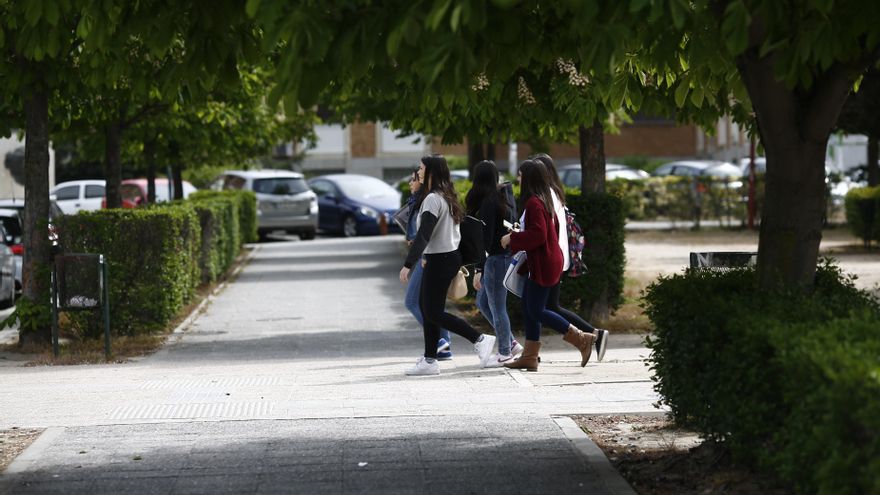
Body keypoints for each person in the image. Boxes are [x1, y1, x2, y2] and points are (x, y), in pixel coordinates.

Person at [399, 155, 496, 376]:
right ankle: (430, 360)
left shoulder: (433, 199)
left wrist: (408, 263)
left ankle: (479, 339)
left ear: (431, 171)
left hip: (440, 259)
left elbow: (424, 234)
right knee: (428, 309)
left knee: (432, 311)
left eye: (422, 168)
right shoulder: (446, 196)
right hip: (444, 257)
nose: (419, 172)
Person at [500, 159, 596, 371]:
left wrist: (512, 240)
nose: (518, 179)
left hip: (544, 262)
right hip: (549, 259)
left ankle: (582, 339)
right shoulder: (544, 199)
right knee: (529, 308)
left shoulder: (534, 203)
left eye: (520, 175)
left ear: (528, 178)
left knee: (536, 310)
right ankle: (530, 356)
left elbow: (538, 235)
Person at [532, 153, 609, 362]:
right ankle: (593, 334)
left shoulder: (544, 195)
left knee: (537, 308)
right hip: (559, 257)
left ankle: (586, 336)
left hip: (551, 258)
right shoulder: (555, 192)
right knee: (549, 307)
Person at [465, 160, 524, 367]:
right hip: (502, 258)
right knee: (483, 303)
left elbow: (486, 240)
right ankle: (511, 342)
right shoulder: (503, 198)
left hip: (496, 260)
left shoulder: (490, 202)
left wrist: (479, 269)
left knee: (497, 307)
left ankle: (505, 353)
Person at [402, 170, 454, 360]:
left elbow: (427, 233)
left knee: (413, 302)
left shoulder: (428, 201)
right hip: (426, 256)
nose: (410, 182)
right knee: (429, 304)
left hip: (428, 257)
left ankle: (441, 341)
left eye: (414, 179)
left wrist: (412, 260)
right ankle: (443, 343)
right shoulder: (417, 201)